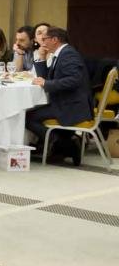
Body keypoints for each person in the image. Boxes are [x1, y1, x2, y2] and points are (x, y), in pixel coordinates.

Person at [25, 27, 92, 165]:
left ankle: (65, 145)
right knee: (32, 113)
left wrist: (47, 84)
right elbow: (46, 78)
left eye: (45, 39)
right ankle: (64, 144)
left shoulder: (68, 54)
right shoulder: (61, 53)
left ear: (54, 40)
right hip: (65, 102)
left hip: (72, 106)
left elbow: (74, 80)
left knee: (28, 117)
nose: (42, 42)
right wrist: (42, 58)